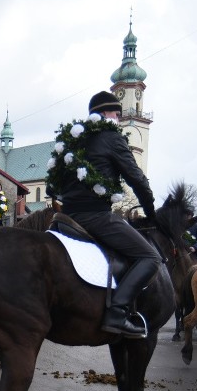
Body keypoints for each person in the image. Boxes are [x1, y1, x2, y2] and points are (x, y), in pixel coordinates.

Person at [49, 91, 161, 337]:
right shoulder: (111, 137)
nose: (119, 118)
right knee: (150, 257)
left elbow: (51, 186)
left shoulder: (70, 140)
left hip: (64, 217)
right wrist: (150, 211)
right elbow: (137, 179)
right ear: (105, 114)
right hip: (95, 216)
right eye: (116, 113)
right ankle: (117, 313)